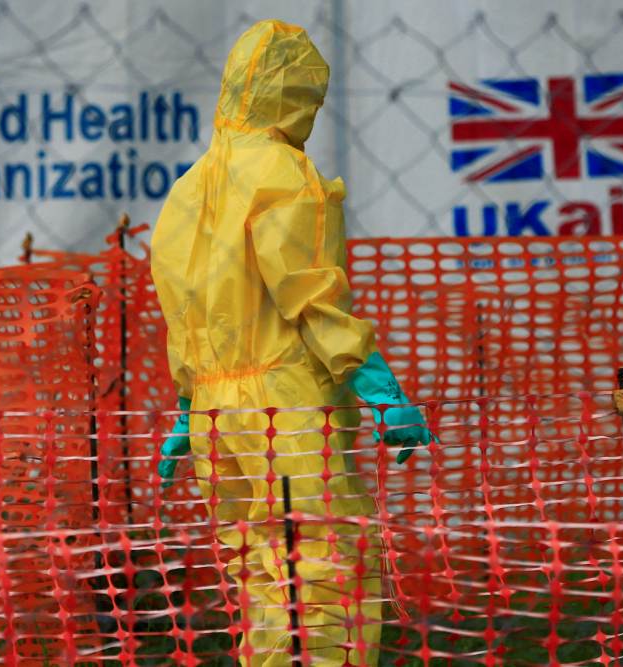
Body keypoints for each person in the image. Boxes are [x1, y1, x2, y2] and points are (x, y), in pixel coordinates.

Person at [151, 19, 432, 666]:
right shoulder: (281, 171)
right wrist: (377, 385)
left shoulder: (187, 189)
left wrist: (187, 407)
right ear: (296, 95)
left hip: (215, 415)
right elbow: (309, 292)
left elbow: (186, 313)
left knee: (259, 573)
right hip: (287, 403)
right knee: (323, 566)